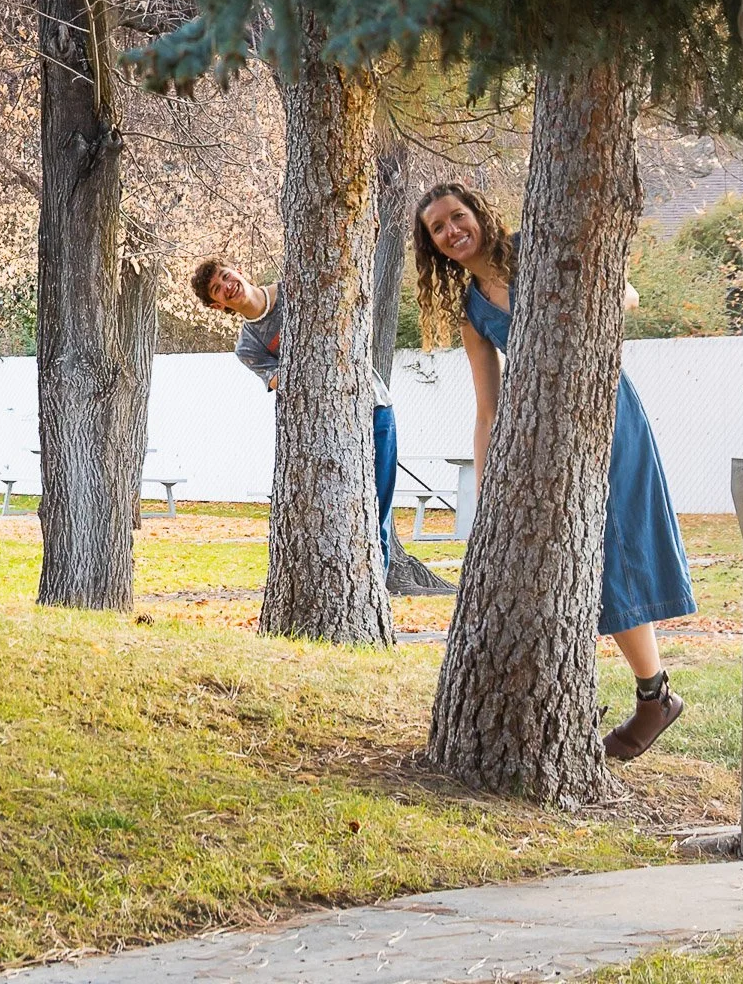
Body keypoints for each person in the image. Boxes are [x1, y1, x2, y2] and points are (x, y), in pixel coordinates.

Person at [414, 181, 695, 761]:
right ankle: (621, 695)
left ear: (479, 215)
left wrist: (583, 315)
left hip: (604, 408)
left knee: (614, 544)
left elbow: (628, 295)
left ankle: (654, 696)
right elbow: (488, 408)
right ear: (434, 246)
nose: (451, 232)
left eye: (456, 217)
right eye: (438, 229)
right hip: (544, 437)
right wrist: (488, 488)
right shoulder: (472, 312)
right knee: (575, 560)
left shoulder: (533, 248)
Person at [191, 258, 400, 574]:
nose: (227, 285)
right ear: (218, 306)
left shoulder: (294, 290)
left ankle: (376, 603)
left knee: (377, 515)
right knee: (346, 520)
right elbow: (285, 381)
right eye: (217, 290)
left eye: (224, 276)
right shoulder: (249, 347)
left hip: (374, 406)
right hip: (331, 431)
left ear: (238, 269)